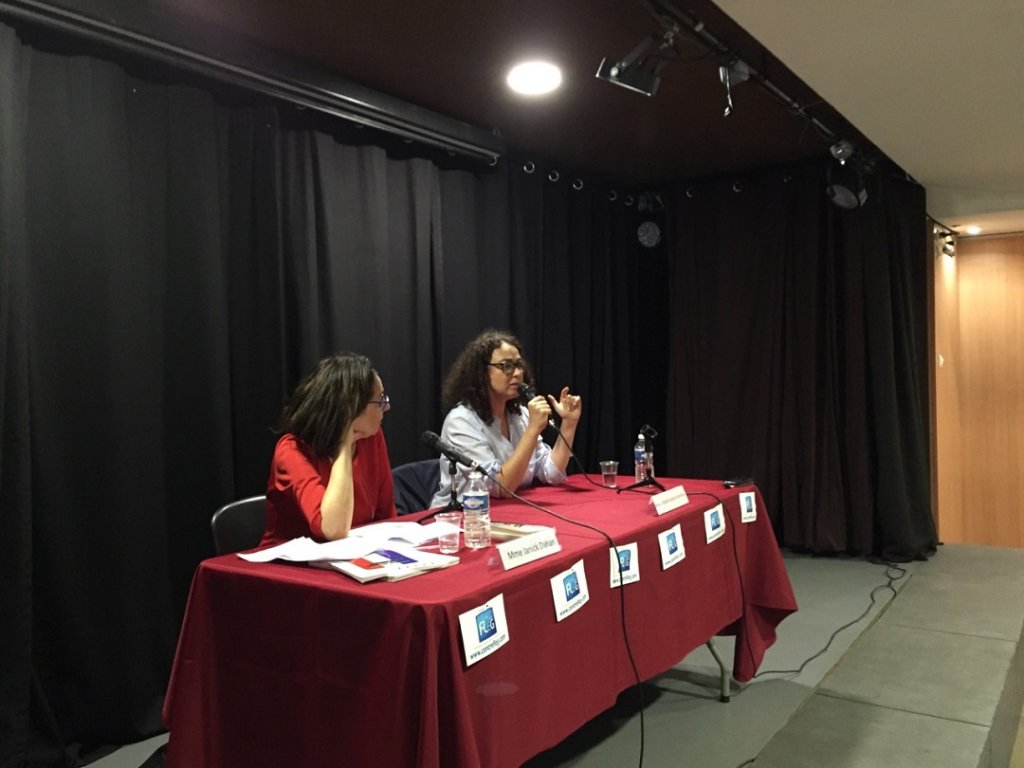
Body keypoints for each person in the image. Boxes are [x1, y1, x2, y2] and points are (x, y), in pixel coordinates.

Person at [429, 329, 582, 508]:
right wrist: (532, 430)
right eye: (506, 366)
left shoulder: (520, 415)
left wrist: (569, 425)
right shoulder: (461, 422)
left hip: (509, 513)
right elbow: (501, 487)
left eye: (519, 365)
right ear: (482, 373)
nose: (517, 373)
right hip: (462, 518)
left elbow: (552, 472)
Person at [260, 353, 396, 547]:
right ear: (350, 407)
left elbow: (385, 515)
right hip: (291, 566)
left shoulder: (372, 438)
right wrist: (343, 447)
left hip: (351, 555)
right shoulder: (292, 450)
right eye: (380, 400)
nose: (387, 406)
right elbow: (333, 529)